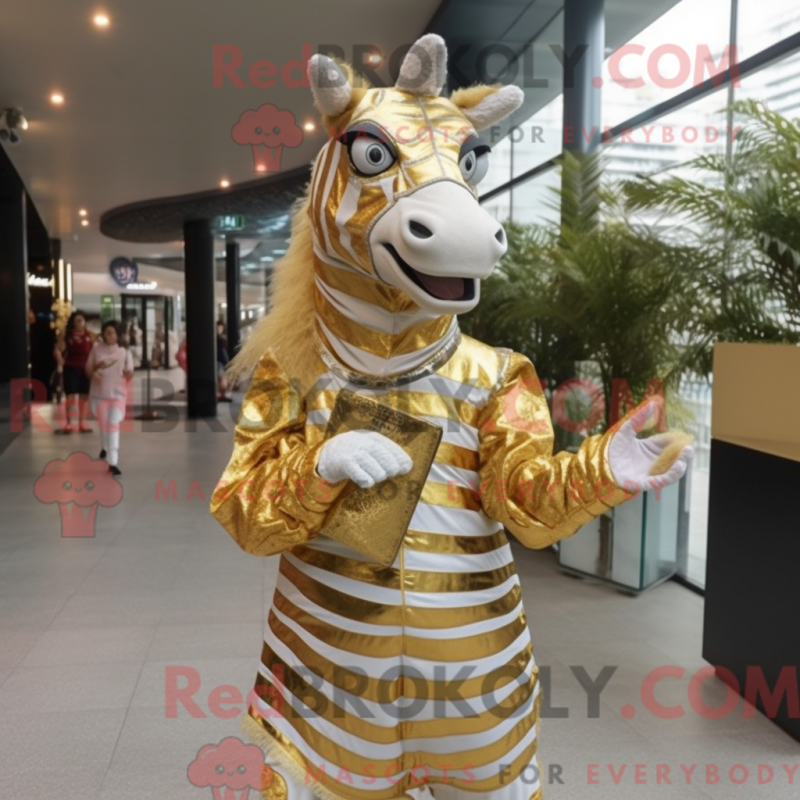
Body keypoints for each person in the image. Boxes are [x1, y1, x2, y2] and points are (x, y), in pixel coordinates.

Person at [85, 320, 134, 476]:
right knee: (103, 423)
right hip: (99, 393)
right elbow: (88, 369)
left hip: (117, 394)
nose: (109, 335)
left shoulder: (124, 352)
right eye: (106, 332)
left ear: (118, 334)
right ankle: (105, 447)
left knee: (113, 425)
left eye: (112, 332)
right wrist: (95, 371)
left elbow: (130, 372)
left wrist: (126, 373)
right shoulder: (96, 349)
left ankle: (113, 461)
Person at [54, 310, 95, 433]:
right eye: (77, 320)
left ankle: (81, 422)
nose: (80, 323)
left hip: (85, 369)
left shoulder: (90, 335)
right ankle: (68, 423)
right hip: (70, 368)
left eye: (82, 320)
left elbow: (95, 351)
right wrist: (59, 357)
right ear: (73, 322)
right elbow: (58, 349)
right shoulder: (67, 335)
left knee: (84, 396)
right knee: (70, 396)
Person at [216, 321, 232, 402]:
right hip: (220, 360)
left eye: (221, 327)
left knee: (222, 377)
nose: (220, 329)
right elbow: (222, 352)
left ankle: (222, 394)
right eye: (218, 327)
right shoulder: (219, 338)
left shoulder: (221, 337)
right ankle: (222, 395)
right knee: (222, 377)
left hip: (220, 360)